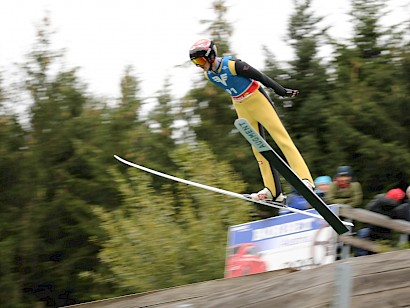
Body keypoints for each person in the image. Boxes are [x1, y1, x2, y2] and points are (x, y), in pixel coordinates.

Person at [189, 39, 314, 204]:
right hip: (240, 104)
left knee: (281, 138)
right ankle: (272, 191)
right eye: (195, 62)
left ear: (211, 56)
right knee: (257, 146)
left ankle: (306, 179)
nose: (199, 65)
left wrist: (281, 91)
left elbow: (260, 76)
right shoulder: (209, 75)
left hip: (256, 98)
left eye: (200, 60)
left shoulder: (233, 64)